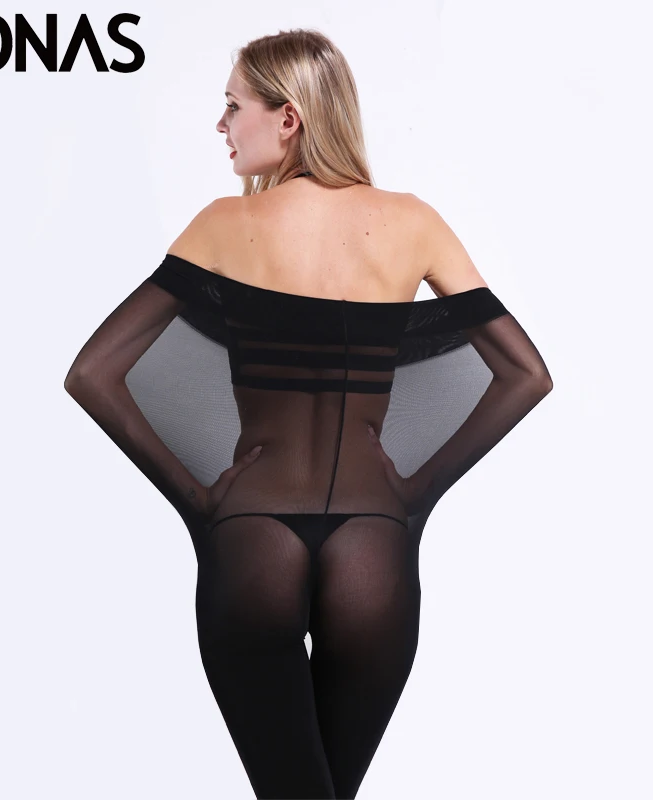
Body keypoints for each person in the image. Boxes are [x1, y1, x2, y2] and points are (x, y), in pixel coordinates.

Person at [64, 28, 553, 800]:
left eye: (233, 106)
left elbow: (93, 372)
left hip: (252, 538)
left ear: (287, 118)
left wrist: (199, 498)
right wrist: (413, 491)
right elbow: (526, 374)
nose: (221, 124)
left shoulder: (223, 225)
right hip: (374, 546)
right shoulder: (414, 222)